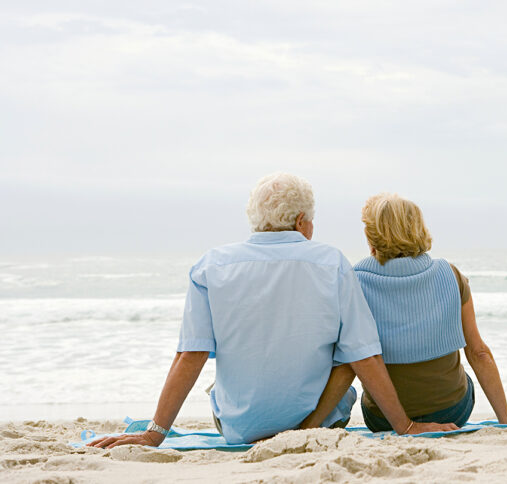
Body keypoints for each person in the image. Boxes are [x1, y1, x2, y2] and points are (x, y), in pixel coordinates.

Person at [88, 174, 456, 449]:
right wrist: (405, 427)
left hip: (238, 428)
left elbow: (191, 354)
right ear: (300, 221)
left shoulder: (211, 266)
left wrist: (155, 433)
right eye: (311, 220)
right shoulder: (332, 263)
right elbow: (364, 355)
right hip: (322, 424)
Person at [353, 193, 507, 431]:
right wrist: (506, 422)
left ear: (372, 236)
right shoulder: (450, 274)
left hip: (383, 419)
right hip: (452, 412)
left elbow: (353, 358)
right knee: (462, 379)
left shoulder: (355, 281)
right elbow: (478, 352)